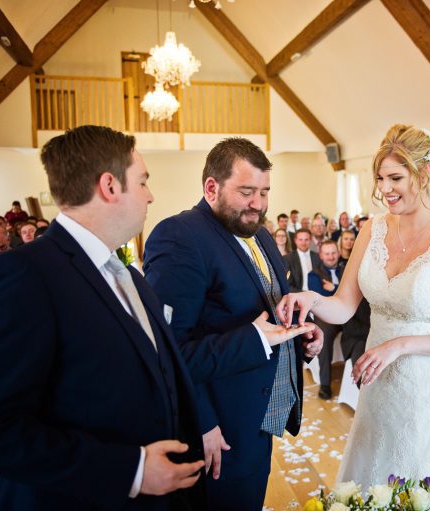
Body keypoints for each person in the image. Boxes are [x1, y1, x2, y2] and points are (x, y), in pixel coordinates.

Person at [0, 125, 207, 510]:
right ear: (109, 185)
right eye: (142, 182)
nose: (150, 195)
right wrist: (131, 470)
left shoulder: (130, 279)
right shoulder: (24, 275)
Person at [276, 124, 430, 509]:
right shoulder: (372, 229)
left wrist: (401, 344)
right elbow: (344, 305)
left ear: (425, 173)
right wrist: (311, 298)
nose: (385, 189)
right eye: (380, 178)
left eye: (396, 178)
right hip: (380, 385)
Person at [143, 137, 323, 510]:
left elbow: (270, 314)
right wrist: (202, 423)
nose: (258, 203)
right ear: (212, 187)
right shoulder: (180, 236)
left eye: (264, 191)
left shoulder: (258, 232)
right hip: (219, 428)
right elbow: (169, 348)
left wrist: (300, 337)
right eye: (246, 191)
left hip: (257, 416)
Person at [307, 240, 344, 399]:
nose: (331, 257)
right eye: (327, 253)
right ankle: (325, 384)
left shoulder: (346, 270)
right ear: (321, 255)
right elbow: (321, 300)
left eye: (333, 253)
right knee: (324, 336)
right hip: (327, 317)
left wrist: (334, 289)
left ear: (339, 253)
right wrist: (338, 292)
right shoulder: (314, 274)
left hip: (350, 316)